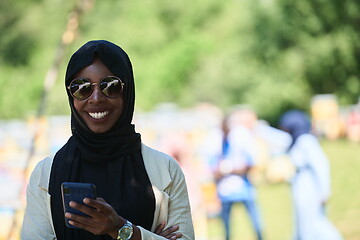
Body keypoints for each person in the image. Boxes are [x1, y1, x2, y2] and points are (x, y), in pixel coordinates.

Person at [21, 40, 195, 240]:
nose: (96, 98)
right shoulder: (46, 174)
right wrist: (148, 236)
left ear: (127, 90)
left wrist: (122, 229)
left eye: (110, 86)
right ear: (71, 95)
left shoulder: (165, 170)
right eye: (82, 88)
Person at [279, 110, 343, 240]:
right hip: (301, 188)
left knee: (315, 224)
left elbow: (321, 165)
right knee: (303, 224)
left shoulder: (306, 141)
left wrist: (324, 192)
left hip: (310, 191)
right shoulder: (298, 142)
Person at [209, 114, 263, 240]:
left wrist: (232, 169)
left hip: (244, 188)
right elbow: (211, 166)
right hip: (225, 191)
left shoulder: (242, 137)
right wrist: (220, 170)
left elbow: (251, 163)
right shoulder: (215, 139)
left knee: (256, 224)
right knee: (227, 228)